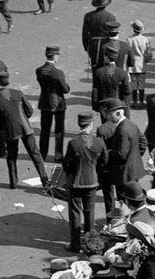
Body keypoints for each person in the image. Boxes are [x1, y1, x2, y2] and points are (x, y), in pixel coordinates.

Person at [0, 69, 50, 190]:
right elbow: (29, 111)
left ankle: (13, 182)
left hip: (10, 131)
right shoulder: (18, 93)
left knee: (11, 156)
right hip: (25, 127)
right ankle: (44, 179)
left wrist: (4, 128)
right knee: (35, 153)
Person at [62, 111, 108, 253]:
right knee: (90, 212)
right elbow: (104, 162)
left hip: (76, 182)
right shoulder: (99, 143)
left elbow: (66, 164)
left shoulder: (74, 143)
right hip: (92, 182)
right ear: (91, 125)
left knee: (75, 212)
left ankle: (75, 244)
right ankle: (91, 243)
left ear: (79, 124)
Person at [35, 45, 70, 162]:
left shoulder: (39, 70)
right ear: (55, 56)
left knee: (45, 130)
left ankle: (43, 153)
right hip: (58, 103)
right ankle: (58, 155)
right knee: (59, 131)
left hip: (45, 102)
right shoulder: (58, 73)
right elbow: (65, 89)